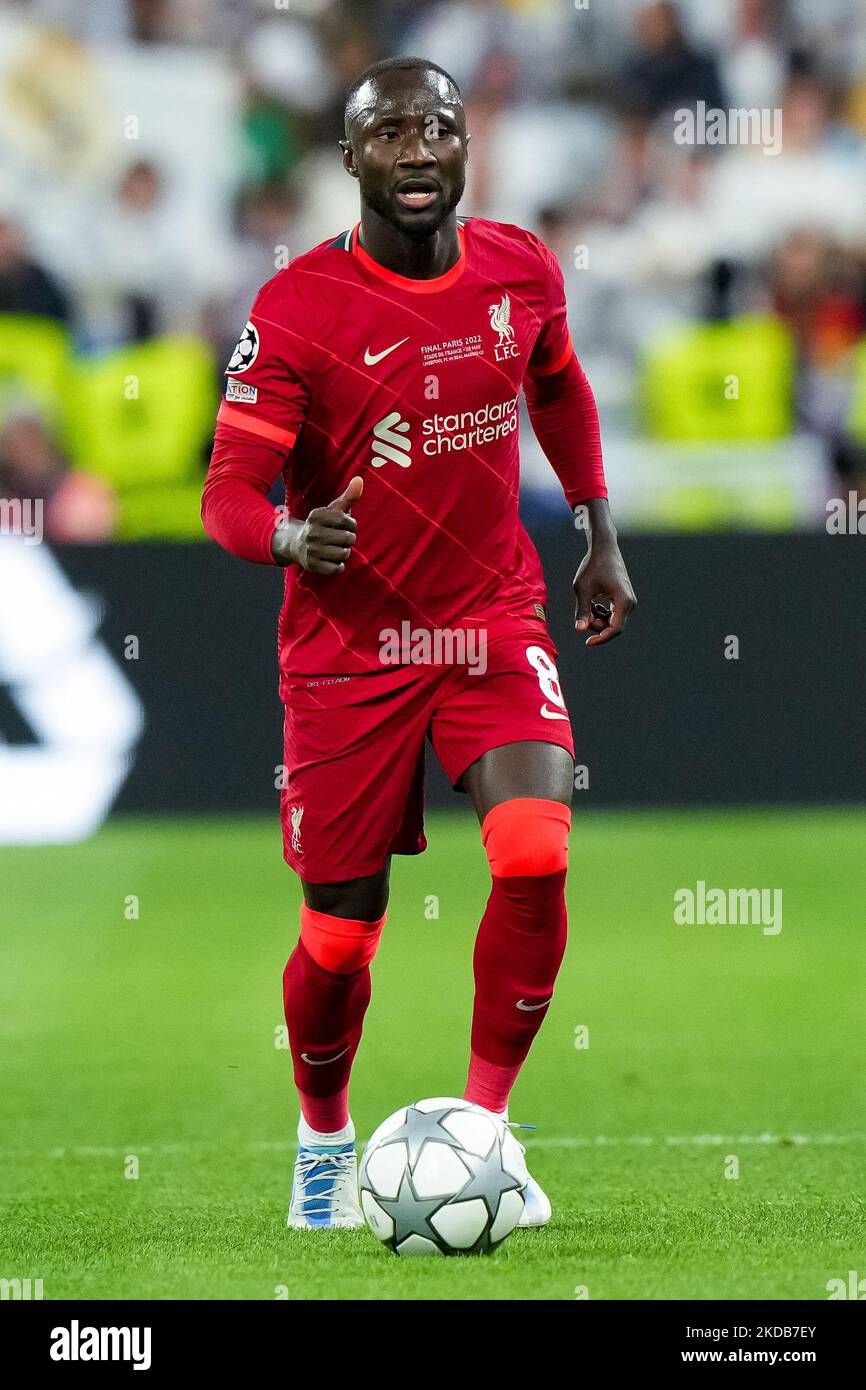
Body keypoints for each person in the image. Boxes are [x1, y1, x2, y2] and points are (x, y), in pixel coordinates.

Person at [201, 56, 636, 1230]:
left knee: (534, 848)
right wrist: (293, 538)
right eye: (386, 133)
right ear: (347, 160)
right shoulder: (296, 308)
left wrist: (597, 528)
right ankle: (322, 1137)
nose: (414, 152)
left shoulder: (519, 267)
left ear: (464, 148)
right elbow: (228, 493)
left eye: (434, 128)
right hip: (350, 651)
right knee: (339, 940)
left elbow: (557, 386)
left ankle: (486, 1132)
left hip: (490, 613)